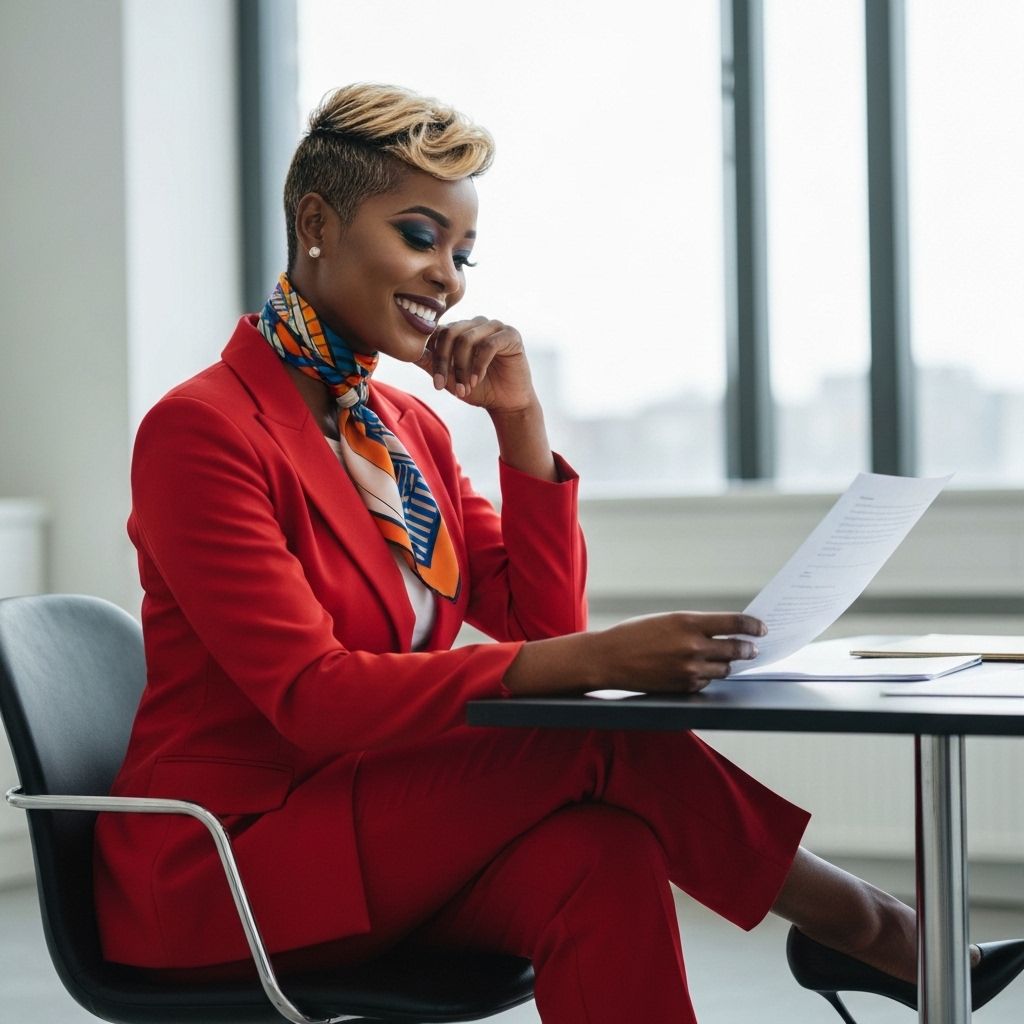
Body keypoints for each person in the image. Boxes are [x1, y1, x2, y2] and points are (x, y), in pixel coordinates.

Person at [94, 83, 1024, 1023]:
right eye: (420, 238)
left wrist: (520, 422)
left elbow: (542, 628)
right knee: (590, 736)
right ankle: (876, 932)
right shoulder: (203, 430)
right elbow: (313, 695)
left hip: (373, 828)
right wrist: (598, 661)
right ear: (315, 224)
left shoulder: (406, 430)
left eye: (462, 254)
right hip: (226, 869)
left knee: (602, 853)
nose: (448, 280)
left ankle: (875, 936)